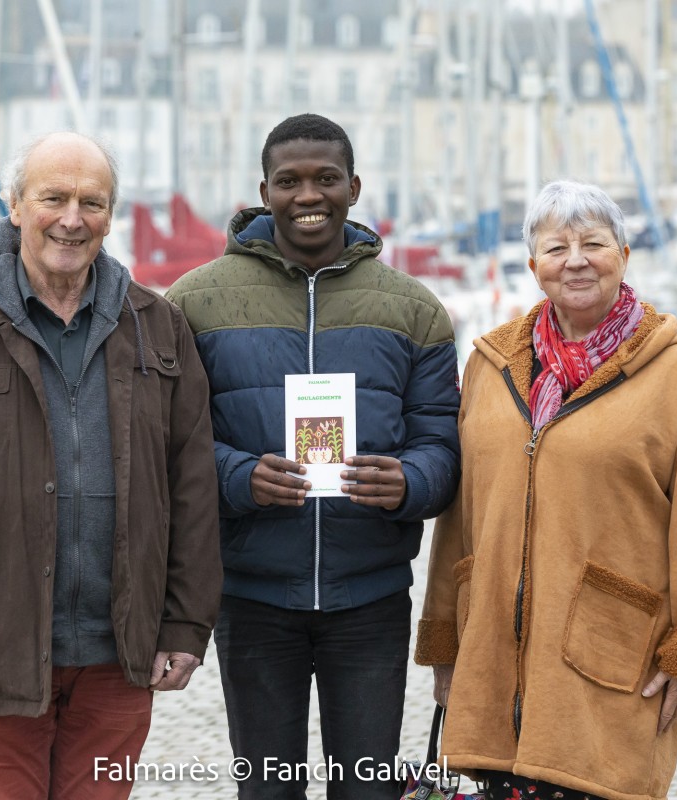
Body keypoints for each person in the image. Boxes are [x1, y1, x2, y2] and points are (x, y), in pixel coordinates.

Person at [0, 131, 222, 800]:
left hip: (120, 657)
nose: (71, 219)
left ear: (111, 215)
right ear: (14, 206)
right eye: (53, 198)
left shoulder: (157, 327)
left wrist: (185, 623)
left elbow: (193, 486)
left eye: (91, 202)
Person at [415, 180, 677, 800]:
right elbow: (462, 520)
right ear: (533, 265)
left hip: (610, 662)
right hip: (492, 661)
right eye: (557, 247)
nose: (576, 260)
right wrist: (445, 635)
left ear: (624, 255)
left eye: (594, 243)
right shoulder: (490, 368)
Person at [165, 113, 461, 799]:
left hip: (372, 598)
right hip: (251, 594)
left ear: (353, 188)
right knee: (268, 791)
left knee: (367, 790)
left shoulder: (415, 310)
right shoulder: (194, 303)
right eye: (289, 181)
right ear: (263, 190)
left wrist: (410, 481)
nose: (308, 196)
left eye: (326, 179)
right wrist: (240, 476)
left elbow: (442, 443)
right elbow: (167, 445)